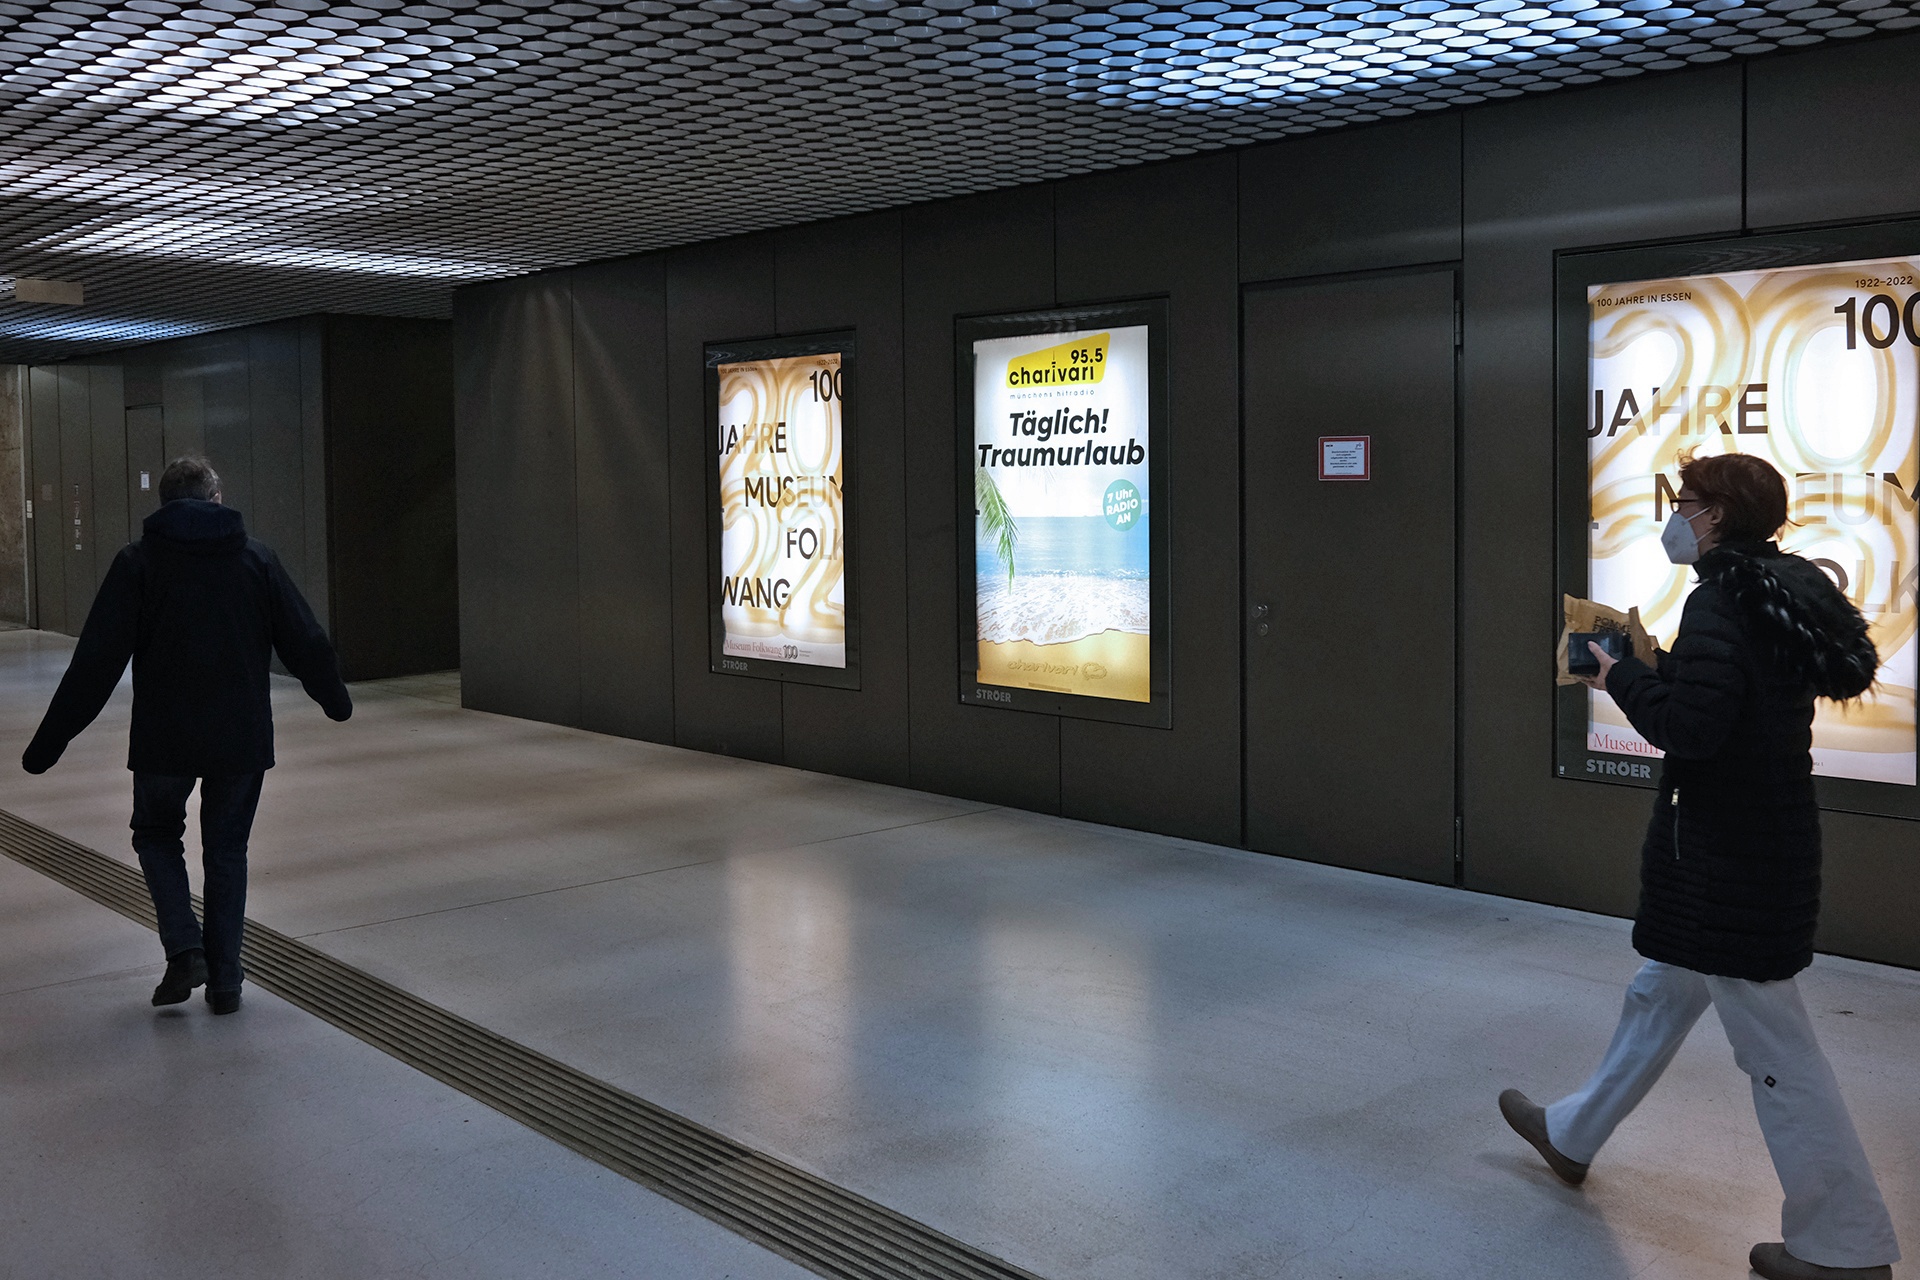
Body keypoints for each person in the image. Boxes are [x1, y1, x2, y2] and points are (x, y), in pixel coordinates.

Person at [1500, 451, 1900, 1280]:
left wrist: (1619, 675)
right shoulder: (1781, 589)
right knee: (1660, 993)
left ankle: (1845, 1244)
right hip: (1753, 841)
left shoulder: (1721, 600)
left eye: (1685, 501)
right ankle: (1572, 1133)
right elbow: (1738, 700)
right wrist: (1660, 665)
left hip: (1729, 856)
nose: (1675, 514)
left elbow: (1693, 730)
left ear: (1715, 516)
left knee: (1778, 1048)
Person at [21, 456, 351, 1014]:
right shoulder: (256, 559)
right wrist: (335, 699)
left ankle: (184, 949)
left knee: (156, 835)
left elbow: (95, 663)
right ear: (216, 497)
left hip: (164, 739)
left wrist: (49, 744)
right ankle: (225, 984)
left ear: (164, 504)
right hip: (241, 737)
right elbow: (306, 640)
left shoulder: (138, 563)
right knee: (226, 850)